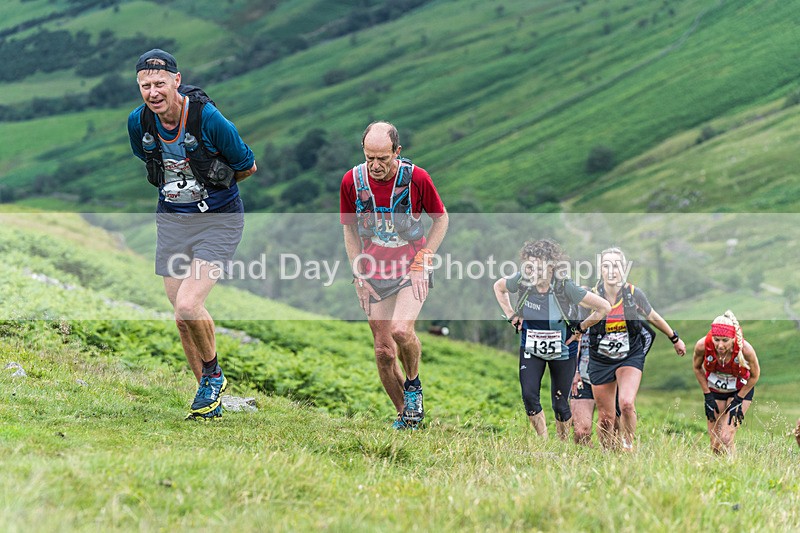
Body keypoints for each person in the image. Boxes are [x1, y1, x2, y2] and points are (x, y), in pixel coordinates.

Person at [127, 49, 257, 420]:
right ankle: (208, 401)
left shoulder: (209, 120)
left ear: (177, 81)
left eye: (159, 84)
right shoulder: (140, 123)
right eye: (145, 85)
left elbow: (247, 166)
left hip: (218, 220)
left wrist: (212, 187)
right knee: (182, 314)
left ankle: (213, 375)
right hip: (172, 220)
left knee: (188, 304)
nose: (153, 92)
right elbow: (150, 161)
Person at [339, 121, 448, 430]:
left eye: (383, 158)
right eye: (369, 157)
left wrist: (425, 259)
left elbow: (441, 219)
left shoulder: (417, 179)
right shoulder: (351, 181)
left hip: (411, 268)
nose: (375, 165)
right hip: (374, 272)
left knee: (401, 330)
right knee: (383, 352)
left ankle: (413, 388)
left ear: (397, 152)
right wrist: (358, 273)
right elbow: (349, 229)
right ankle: (407, 417)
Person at [493, 239, 610, 440]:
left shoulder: (565, 287)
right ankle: (544, 441)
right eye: (529, 266)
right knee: (529, 398)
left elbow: (604, 307)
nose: (533, 272)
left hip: (563, 351)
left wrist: (581, 327)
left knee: (560, 404)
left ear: (551, 267)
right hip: (531, 348)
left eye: (539, 267)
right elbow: (498, 287)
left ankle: (562, 442)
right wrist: (511, 314)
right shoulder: (522, 280)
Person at [587, 247, 686, 450]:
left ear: (624, 269)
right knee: (606, 417)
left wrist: (674, 338)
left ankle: (628, 446)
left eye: (616, 265)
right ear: (600, 271)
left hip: (629, 354)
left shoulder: (633, 294)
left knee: (626, 404)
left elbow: (652, 316)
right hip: (600, 357)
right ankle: (607, 455)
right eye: (606, 266)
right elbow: (578, 327)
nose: (611, 270)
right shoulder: (591, 296)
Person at [692, 310, 760, 454]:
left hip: (740, 389)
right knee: (715, 443)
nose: (720, 346)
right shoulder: (702, 345)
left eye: (725, 340)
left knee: (726, 437)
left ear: (733, 339)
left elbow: (755, 376)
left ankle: (733, 467)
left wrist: (738, 400)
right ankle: (719, 471)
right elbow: (697, 368)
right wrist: (707, 396)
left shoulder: (746, 350)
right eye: (716, 340)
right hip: (715, 390)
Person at [570, 301, 596, 446]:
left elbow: (647, 334)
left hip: (609, 377)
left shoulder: (611, 317)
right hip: (582, 378)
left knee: (611, 426)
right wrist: (574, 371)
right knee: (581, 431)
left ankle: (614, 460)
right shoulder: (572, 322)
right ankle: (585, 460)